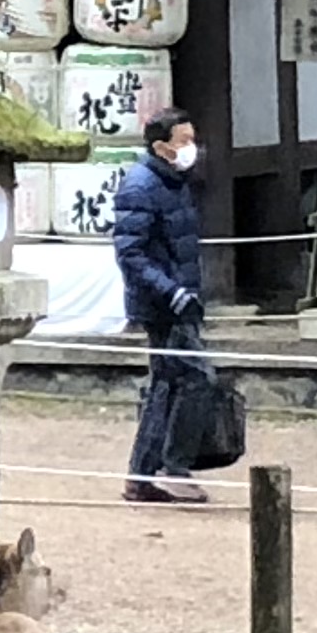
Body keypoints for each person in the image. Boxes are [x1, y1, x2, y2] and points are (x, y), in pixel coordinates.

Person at [113, 106, 212, 505]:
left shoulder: (174, 181)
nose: (192, 148)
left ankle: (146, 473)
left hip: (179, 299)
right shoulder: (140, 186)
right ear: (161, 146)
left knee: (169, 383)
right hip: (162, 303)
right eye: (185, 141)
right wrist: (171, 291)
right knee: (193, 378)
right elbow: (131, 253)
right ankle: (170, 466)